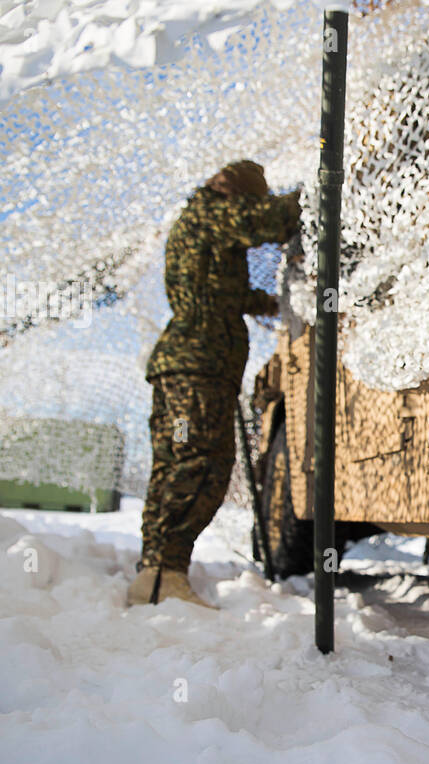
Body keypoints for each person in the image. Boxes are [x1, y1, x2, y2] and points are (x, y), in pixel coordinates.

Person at [127, 160, 301, 608]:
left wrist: (278, 301)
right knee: (201, 461)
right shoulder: (210, 213)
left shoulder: (200, 226)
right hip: (197, 374)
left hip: (183, 371)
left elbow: (229, 294)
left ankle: (156, 572)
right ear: (236, 193)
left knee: (175, 460)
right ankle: (166, 574)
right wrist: (319, 196)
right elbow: (266, 221)